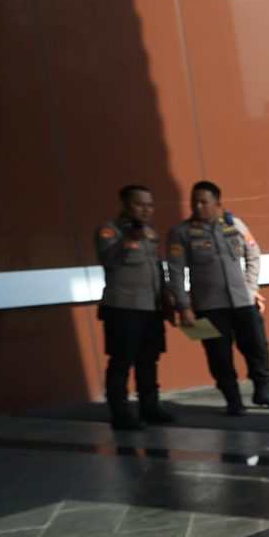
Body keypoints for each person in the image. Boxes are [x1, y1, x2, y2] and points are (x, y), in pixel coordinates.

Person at [168, 181, 269, 414]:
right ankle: (233, 400)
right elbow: (174, 272)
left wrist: (252, 288)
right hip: (206, 306)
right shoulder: (180, 232)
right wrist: (184, 307)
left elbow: (254, 252)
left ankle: (263, 391)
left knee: (258, 347)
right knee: (218, 356)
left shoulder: (235, 225)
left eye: (204, 202)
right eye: (194, 202)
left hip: (243, 301)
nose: (198, 206)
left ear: (218, 204)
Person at [94, 183, 185, 430]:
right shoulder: (109, 232)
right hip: (123, 308)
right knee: (121, 361)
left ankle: (150, 406)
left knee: (149, 359)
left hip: (151, 307)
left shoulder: (151, 232)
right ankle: (120, 413)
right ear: (125, 205)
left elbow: (157, 267)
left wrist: (166, 294)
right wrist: (127, 241)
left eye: (149, 205)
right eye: (139, 204)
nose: (146, 210)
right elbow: (109, 262)